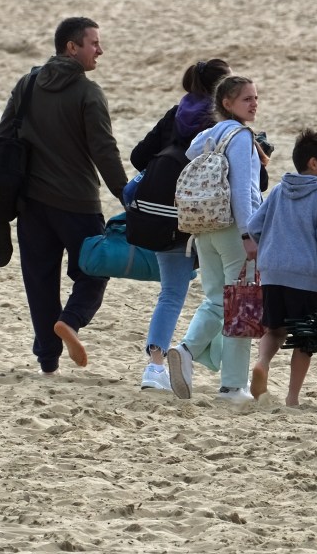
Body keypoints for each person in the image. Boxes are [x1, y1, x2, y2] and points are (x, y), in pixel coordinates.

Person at [0, 17, 128, 375]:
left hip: (31, 203)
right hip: (77, 202)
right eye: (94, 43)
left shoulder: (28, 83)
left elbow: (4, 136)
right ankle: (70, 322)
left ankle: (48, 361)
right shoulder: (88, 92)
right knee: (96, 270)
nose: (100, 50)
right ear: (72, 47)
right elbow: (104, 150)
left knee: (39, 280)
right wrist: (126, 193)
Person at [129, 59, 232, 391]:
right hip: (203, 220)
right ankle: (200, 358)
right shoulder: (220, 123)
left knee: (171, 294)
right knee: (221, 295)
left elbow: (137, 156)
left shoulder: (176, 114)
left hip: (162, 218)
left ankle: (155, 366)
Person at [166, 75, 264, 402]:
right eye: (246, 98)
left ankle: (185, 350)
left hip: (204, 227)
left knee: (214, 301)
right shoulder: (241, 136)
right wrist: (249, 234)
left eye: (254, 97)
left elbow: (193, 154)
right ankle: (232, 385)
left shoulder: (208, 136)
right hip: (233, 229)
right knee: (241, 306)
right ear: (227, 103)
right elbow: (242, 192)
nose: (254, 103)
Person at [247, 129, 317, 407]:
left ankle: (262, 363)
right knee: (305, 340)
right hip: (304, 280)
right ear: (314, 164)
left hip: (272, 274)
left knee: (274, 330)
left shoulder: (279, 190)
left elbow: (255, 226)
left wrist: (272, 248)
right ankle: (292, 398)